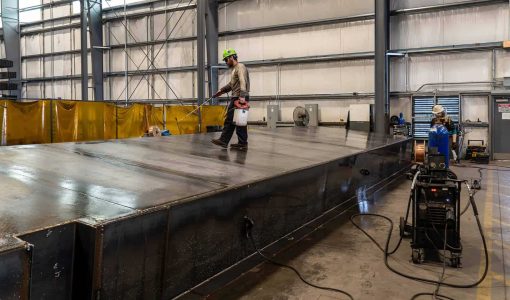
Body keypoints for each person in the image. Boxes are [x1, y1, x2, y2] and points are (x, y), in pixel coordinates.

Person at [211, 48, 250, 151]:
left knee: (231, 120)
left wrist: (242, 96)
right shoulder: (234, 69)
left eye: (226, 59)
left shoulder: (240, 67)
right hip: (237, 96)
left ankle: (225, 140)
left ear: (232, 57)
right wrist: (221, 91)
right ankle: (242, 143)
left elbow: (243, 81)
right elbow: (231, 85)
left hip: (239, 97)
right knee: (238, 121)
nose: (225, 62)